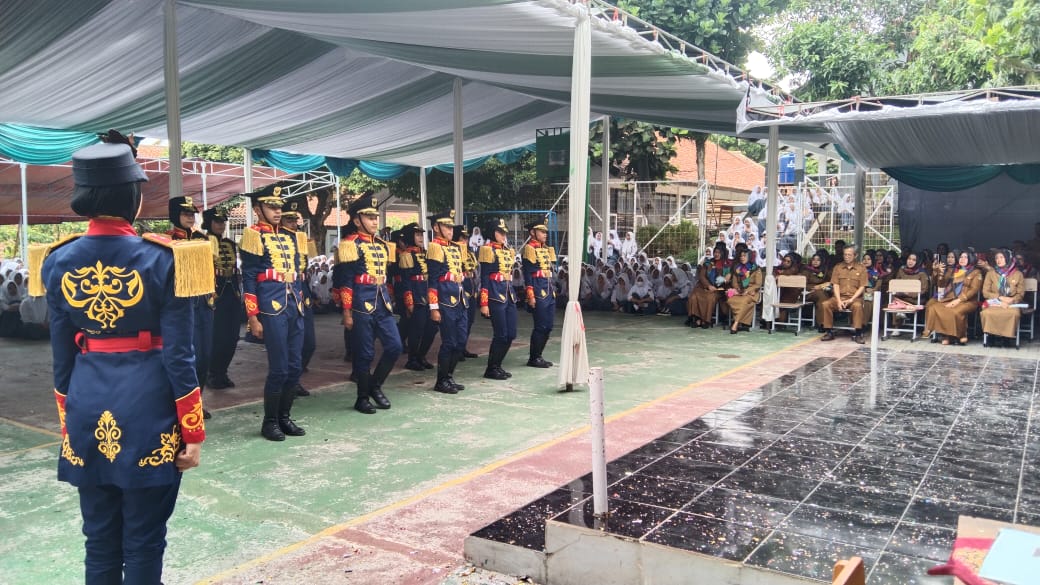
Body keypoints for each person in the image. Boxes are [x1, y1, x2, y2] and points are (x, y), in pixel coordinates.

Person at [33, 141, 208, 583]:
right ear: (133, 196)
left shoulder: (55, 261)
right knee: (145, 541)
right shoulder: (166, 257)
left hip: (86, 409)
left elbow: (60, 357)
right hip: (148, 410)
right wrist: (193, 430)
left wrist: (68, 421)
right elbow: (180, 355)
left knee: (99, 540)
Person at [239, 185, 307, 439]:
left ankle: (284, 417)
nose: (278, 211)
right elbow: (248, 277)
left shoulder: (290, 236)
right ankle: (270, 422)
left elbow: (298, 275)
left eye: (279, 207)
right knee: (279, 368)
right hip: (271, 308)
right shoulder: (253, 235)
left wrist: (300, 300)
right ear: (258, 209)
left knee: (295, 366)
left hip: (293, 306)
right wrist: (253, 316)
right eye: (272, 207)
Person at [334, 195, 402, 411]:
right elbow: (345, 282)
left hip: (382, 304)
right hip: (360, 304)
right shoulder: (349, 244)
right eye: (369, 217)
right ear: (357, 221)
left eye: (375, 217)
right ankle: (362, 398)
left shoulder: (382, 245)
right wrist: (347, 312)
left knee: (395, 347)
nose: (375, 221)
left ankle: (375, 386)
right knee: (364, 354)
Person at [167, 196, 215, 419]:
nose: (189, 217)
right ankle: (179, 405)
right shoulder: (166, 240)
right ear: (174, 215)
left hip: (202, 301)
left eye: (191, 214)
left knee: (205, 356)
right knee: (185, 355)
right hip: (179, 302)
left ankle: (197, 401)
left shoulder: (202, 239)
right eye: (184, 213)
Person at [426, 209, 468, 392]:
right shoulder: (435, 247)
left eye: (451, 226)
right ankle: (441, 380)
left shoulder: (455, 247)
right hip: (444, 300)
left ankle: (449, 376)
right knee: (449, 342)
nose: (450, 230)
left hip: (459, 298)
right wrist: (434, 308)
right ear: (436, 227)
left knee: (460, 342)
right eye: (446, 226)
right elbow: (432, 282)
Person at [279, 199, 316, 396]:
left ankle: (295, 378)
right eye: (289, 219)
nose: (294, 223)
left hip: (303, 290)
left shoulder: (300, 239)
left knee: (309, 342)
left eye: (295, 220)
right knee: (285, 344)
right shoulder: (277, 241)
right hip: (282, 293)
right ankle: (288, 383)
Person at [203, 207, 241, 391]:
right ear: (208, 222)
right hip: (214, 294)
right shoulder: (202, 242)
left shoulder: (230, 243)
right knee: (216, 336)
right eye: (217, 221)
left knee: (232, 336)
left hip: (231, 293)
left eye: (223, 221)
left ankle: (223, 371)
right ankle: (212, 373)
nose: (221, 224)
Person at [478, 218, 518, 380]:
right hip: (495, 294)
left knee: (511, 334)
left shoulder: (507, 249)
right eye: (500, 232)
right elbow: (485, 278)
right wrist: (484, 303)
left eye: (504, 233)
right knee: (500, 334)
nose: (503, 235)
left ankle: (498, 365)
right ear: (493, 233)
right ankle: (491, 367)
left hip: (509, 293)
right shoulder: (487, 250)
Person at [398, 222, 437, 372]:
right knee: (417, 330)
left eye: (422, 234)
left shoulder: (426, 253)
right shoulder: (407, 255)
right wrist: (409, 302)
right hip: (416, 295)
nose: (421, 237)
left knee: (432, 328)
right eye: (417, 235)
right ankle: (412, 359)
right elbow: (406, 282)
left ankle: (421, 355)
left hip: (428, 295)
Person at [520, 217, 557, 367]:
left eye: (545, 231)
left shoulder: (546, 249)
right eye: (541, 231)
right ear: (532, 232)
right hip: (537, 289)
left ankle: (539, 355)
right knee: (540, 326)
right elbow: (528, 274)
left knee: (548, 326)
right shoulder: (529, 249)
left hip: (548, 288)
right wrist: (531, 296)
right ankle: (534, 357)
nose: (544, 234)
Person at [924, 250, 980, 345]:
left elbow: (974, 290)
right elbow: (942, 285)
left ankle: (960, 335)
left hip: (968, 301)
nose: (962, 259)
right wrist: (940, 273)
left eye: (965, 257)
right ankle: (945, 335)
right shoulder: (956, 271)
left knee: (954, 311)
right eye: (961, 257)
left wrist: (959, 300)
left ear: (970, 259)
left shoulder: (976, 272)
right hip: (952, 298)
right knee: (935, 307)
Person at [820, 246, 868, 343]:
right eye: (845, 254)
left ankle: (858, 333)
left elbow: (862, 286)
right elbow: (835, 285)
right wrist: (838, 301)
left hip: (854, 298)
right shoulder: (838, 267)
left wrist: (851, 299)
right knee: (826, 304)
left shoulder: (861, 268)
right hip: (839, 297)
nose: (846, 257)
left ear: (855, 255)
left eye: (849, 255)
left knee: (858, 306)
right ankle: (829, 332)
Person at [980, 248, 1025, 346]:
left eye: (1001, 257)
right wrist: (1000, 298)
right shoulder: (991, 274)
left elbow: (1020, 294)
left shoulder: (1018, 274)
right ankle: (990, 336)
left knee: (1013, 314)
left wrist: (1012, 300)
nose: (998, 260)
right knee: (987, 313)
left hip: (1011, 303)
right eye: (997, 258)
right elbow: (985, 292)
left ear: (1008, 259)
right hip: (994, 302)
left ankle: (1006, 338)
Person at [454, 224, 480, 360]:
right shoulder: (453, 252)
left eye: (466, 238)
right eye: (462, 237)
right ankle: (457, 349)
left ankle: (462, 347)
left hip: (471, 285)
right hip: (461, 284)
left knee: (469, 320)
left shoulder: (469, 252)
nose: (465, 240)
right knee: (460, 321)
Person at [687, 246, 728, 328]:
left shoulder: (726, 265)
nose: (716, 254)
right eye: (715, 252)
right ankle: (697, 318)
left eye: (719, 253)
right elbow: (702, 276)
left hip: (717, 289)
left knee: (709, 297)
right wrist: (708, 285)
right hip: (704, 286)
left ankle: (705, 320)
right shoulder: (707, 263)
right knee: (694, 296)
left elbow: (726, 279)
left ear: (723, 254)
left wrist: (717, 285)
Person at [727, 249, 762, 334]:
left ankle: (735, 323)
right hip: (739, 291)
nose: (742, 258)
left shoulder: (756, 269)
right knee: (730, 300)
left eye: (744, 256)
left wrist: (747, 290)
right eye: (741, 256)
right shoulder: (737, 268)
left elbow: (758, 284)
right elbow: (734, 282)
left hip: (752, 292)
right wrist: (738, 289)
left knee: (743, 302)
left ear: (749, 257)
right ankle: (740, 322)